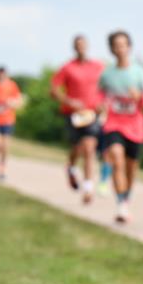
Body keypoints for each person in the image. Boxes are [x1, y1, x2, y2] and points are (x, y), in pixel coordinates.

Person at [98, 30, 143, 224]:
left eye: (123, 45)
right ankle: (121, 205)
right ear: (112, 49)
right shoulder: (107, 74)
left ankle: (126, 195)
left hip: (135, 126)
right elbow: (99, 94)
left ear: (129, 47)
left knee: (131, 168)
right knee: (116, 159)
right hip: (114, 124)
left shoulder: (140, 73)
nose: (120, 49)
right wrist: (101, 104)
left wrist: (140, 97)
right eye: (116, 45)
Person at [51, 35, 106, 204]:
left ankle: (88, 188)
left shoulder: (98, 66)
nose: (81, 48)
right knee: (76, 147)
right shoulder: (67, 67)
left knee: (89, 148)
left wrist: (103, 104)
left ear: (88, 46)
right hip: (73, 114)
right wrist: (69, 101)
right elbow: (53, 90)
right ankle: (71, 167)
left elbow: (107, 87)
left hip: (92, 113)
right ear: (74, 48)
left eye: (84, 45)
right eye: (78, 45)